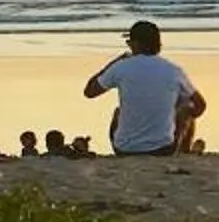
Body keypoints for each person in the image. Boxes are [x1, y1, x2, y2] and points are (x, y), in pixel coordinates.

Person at [84, 19, 206, 156]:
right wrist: (178, 118)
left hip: (124, 150)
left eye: (129, 43)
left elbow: (90, 91)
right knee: (186, 104)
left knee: (118, 112)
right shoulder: (173, 70)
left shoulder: (121, 67)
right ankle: (184, 149)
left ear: (136, 44)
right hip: (163, 149)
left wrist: (113, 63)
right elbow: (200, 105)